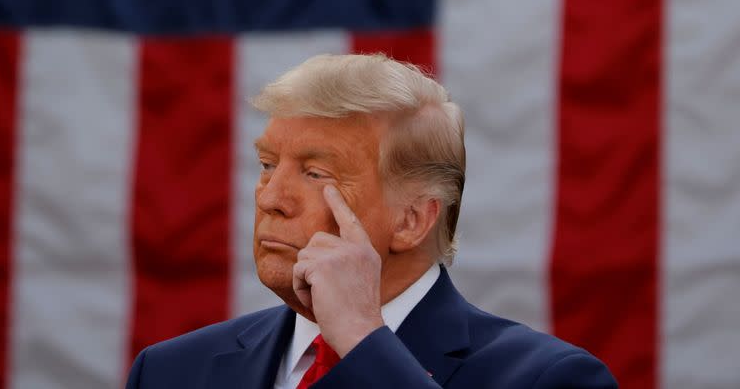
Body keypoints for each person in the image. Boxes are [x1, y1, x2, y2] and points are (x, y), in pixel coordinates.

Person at [126, 53, 617, 388]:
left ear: (410, 221)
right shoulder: (171, 372)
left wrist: (364, 341)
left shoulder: (549, 378)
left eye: (316, 173)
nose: (271, 198)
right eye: (268, 165)